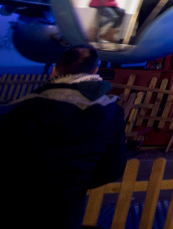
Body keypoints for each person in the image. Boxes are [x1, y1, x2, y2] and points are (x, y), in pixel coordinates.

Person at [0, 45, 128, 229]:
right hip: (68, 210)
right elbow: (112, 168)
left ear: (54, 70)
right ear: (95, 71)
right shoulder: (112, 113)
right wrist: (74, 182)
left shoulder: (25, 109)